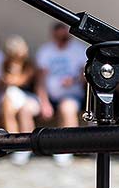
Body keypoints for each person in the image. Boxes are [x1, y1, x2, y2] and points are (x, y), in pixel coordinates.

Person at [35, 22, 87, 165]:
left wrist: (74, 80)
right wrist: (44, 102)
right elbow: (40, 80)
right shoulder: (46, 51)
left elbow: (86, 74)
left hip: (73, 95)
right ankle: (25, 149)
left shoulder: (79, 50)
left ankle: (67, 148)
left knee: (67, 108)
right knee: (26, 107)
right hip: (51, 96)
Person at [0, 35, 41, 165]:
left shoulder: (29, 65)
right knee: (7, 101)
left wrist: (13, 71)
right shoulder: (5, 64)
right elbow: (2, 81)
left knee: (9, 98)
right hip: (12, 99)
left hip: (29, 97)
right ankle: (14, 141)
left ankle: (18, 144)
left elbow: (19, 80)